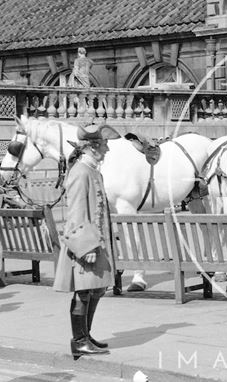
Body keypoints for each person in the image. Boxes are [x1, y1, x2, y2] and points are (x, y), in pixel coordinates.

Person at [52, 122, 120, 360]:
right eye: (104, 145)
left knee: (96, 289)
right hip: (86, 245)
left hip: (97, 243)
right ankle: (79, 341)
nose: (107, 150)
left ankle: (86, 336)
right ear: (92, 147)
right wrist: (86, 246)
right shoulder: (81, 172)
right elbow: (77, 212)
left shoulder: (93, 170)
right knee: (83, 291)